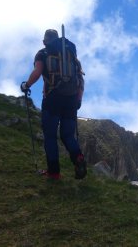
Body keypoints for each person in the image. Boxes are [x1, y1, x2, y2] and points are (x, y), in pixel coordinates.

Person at [21, 29, 86, 180]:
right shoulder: (71, 55)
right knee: (68, 135)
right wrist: (78, 99)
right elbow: (80, 80)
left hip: (53, 98)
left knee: (50, 136)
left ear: (45, 41)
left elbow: (38, 72)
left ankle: (54, 172)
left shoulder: (43, 53)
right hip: (71, 99)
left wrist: (26, 85)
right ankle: (79, 159)